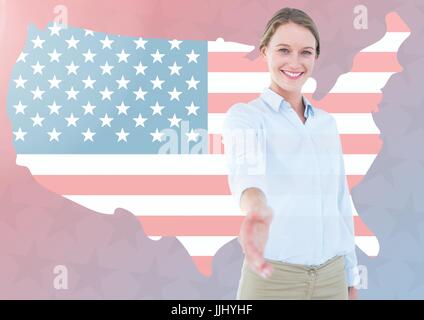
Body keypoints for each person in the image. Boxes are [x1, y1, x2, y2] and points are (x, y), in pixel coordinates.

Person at [223, 7, 360, 300]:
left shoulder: (326, 123)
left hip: (332, 278)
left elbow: (340, 203)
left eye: (305, 52)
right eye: (284, 50)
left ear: (315, 57)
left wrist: (350, 277)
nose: (294, 62)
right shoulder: (246, 117)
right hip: (273, 280)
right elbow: (247, 173)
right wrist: (256, 210)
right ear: (265, 52)